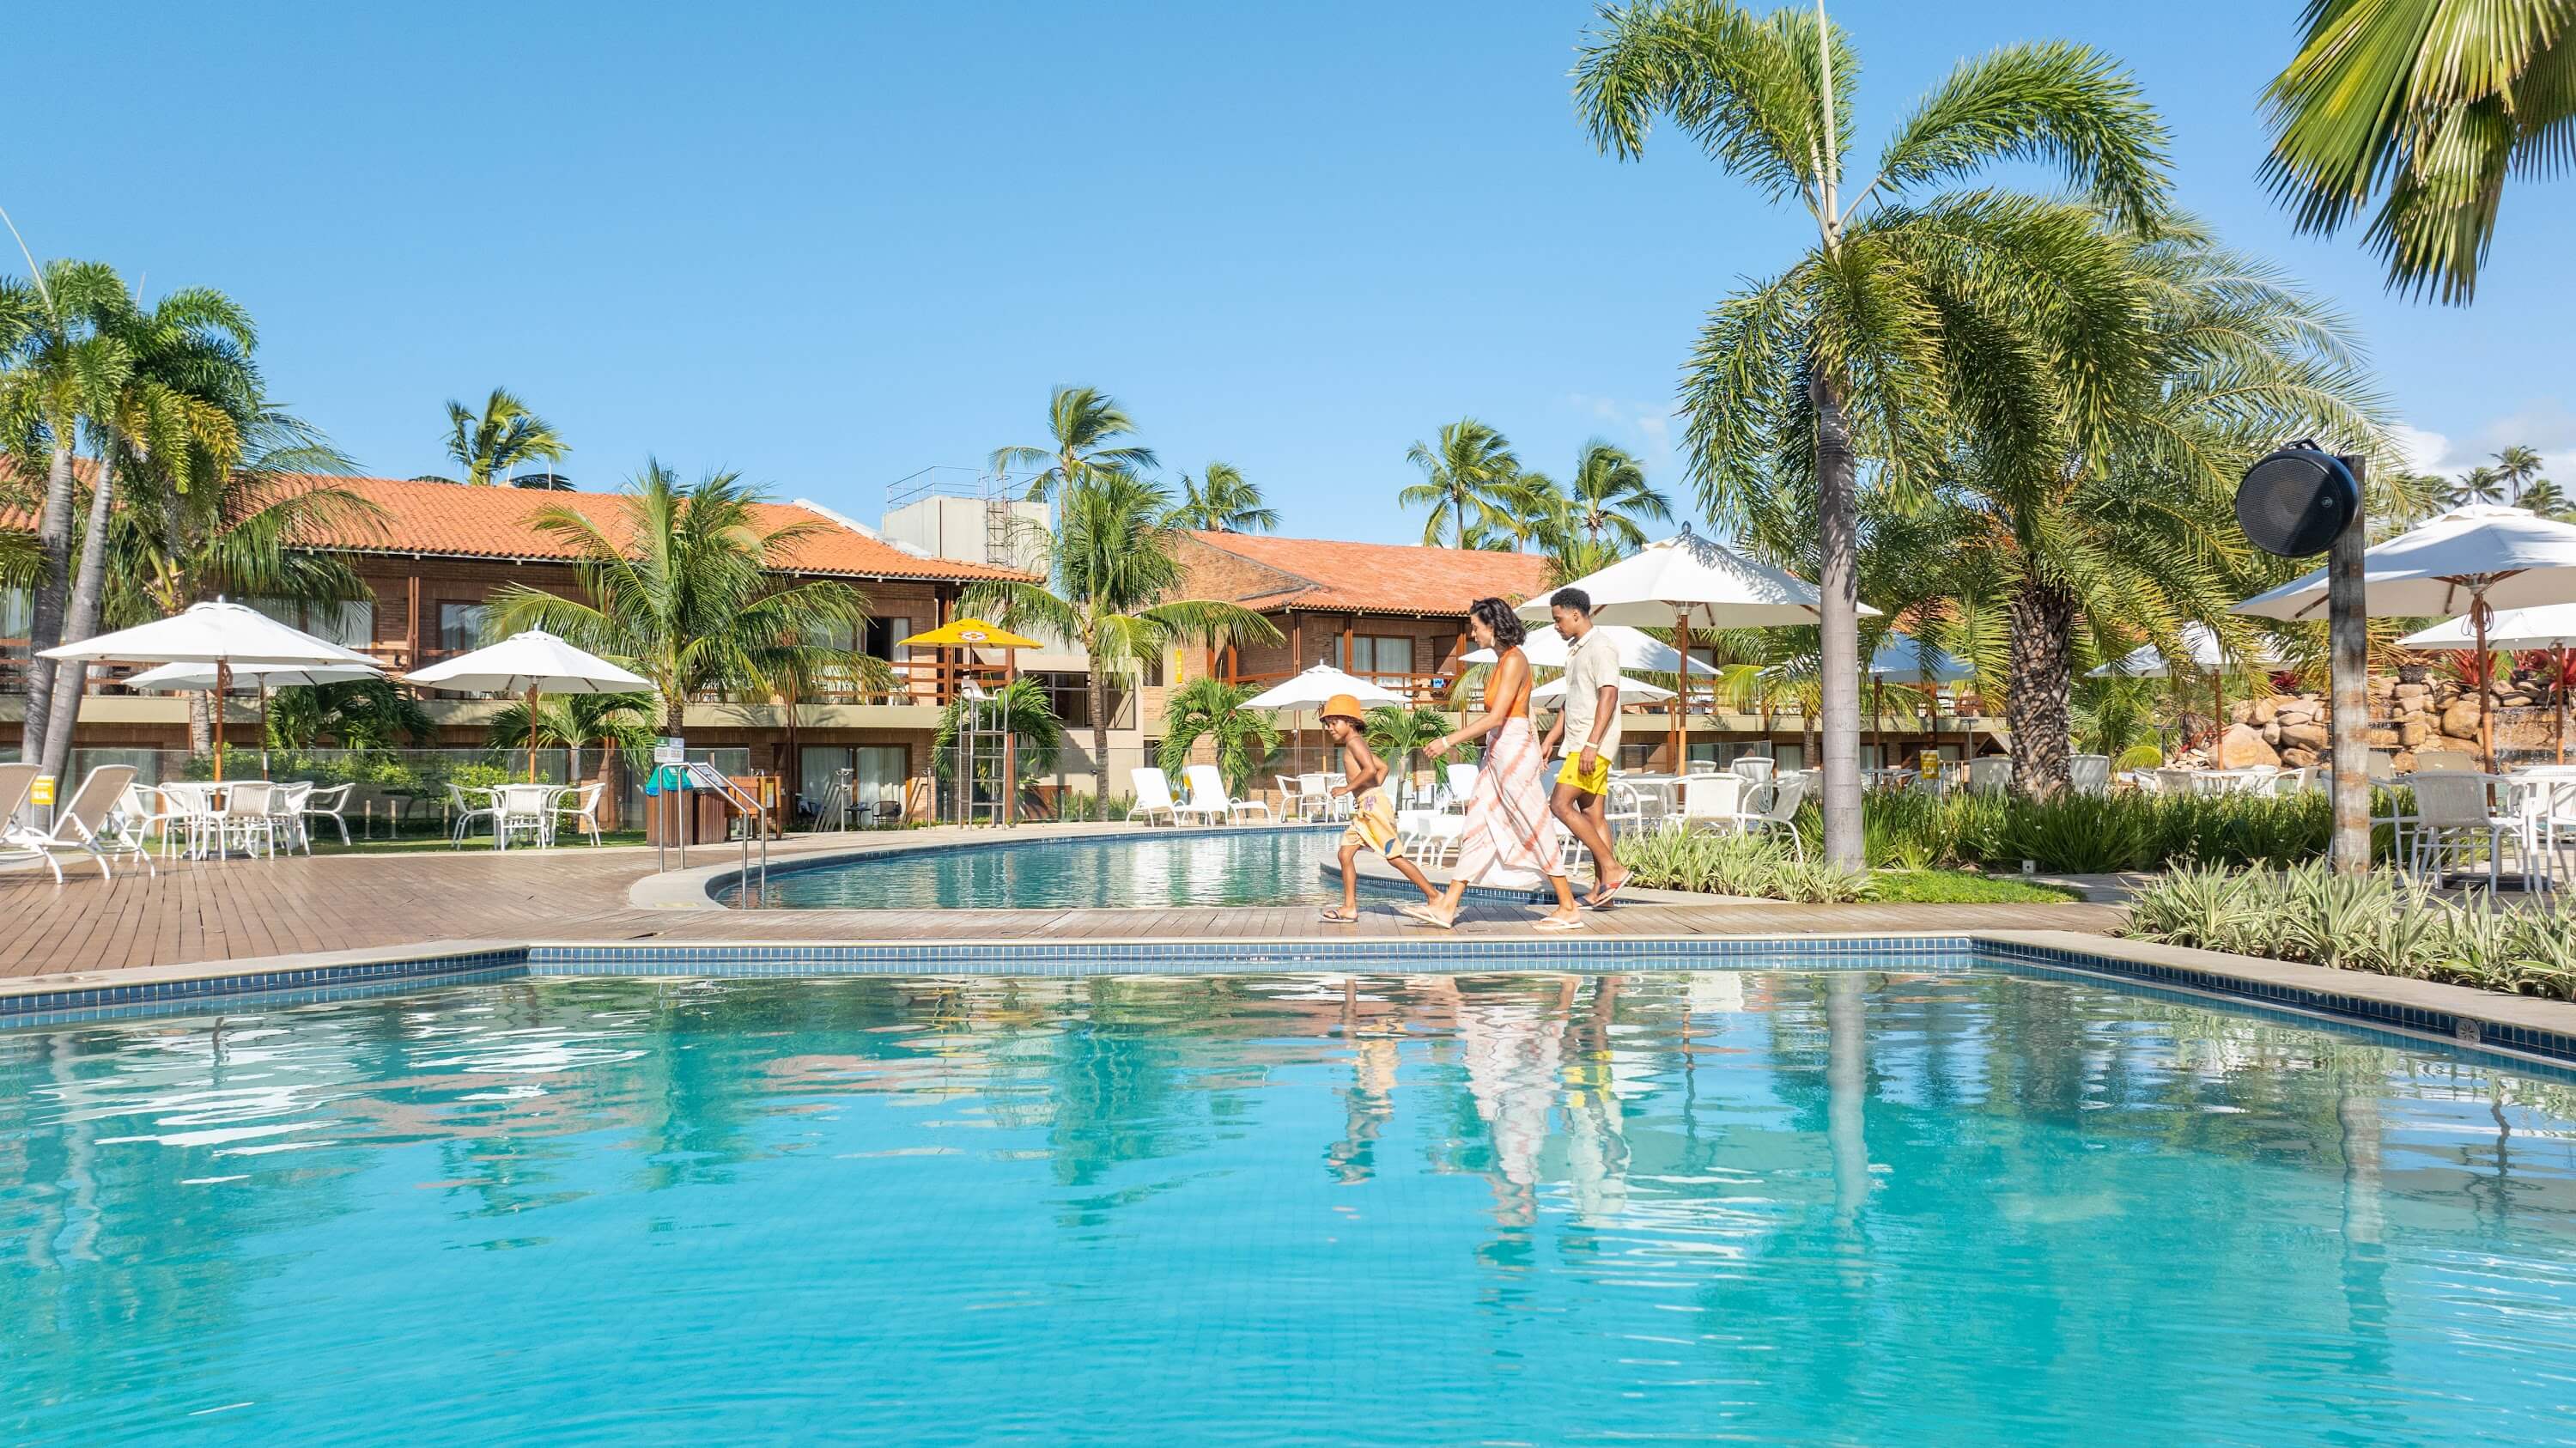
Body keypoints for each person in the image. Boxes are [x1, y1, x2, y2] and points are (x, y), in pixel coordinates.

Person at [1406, 597, 1583, 931]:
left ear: (1493, 626)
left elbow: (1497, 716)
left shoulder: (1515, 660)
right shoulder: (1501, 662)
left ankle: (1568, 905)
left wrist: (1448, 741)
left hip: (1513, 748)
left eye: (1475, 627)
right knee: (1478, 821)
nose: (1473, 634)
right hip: (1497, 749)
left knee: (1532, 820)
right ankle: (1448, 905)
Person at [1539, 587, 1630, 907]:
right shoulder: (1577, 650)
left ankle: (1612, 868)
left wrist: (1592, 744)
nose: (1556, 625)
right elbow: (1572, 700)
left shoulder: (1601, 647)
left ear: (1575, 613)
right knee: (1593, 816)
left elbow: (1609, 695)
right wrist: (1551, 738)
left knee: (1559, 805)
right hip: (1578, 742)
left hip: (1590, 745)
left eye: (1558, 618)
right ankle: (1603, 893)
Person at [1317, 692, 1444, 922]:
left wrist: (1347, 789)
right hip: (1367, 806)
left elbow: (1369, 770)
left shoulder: (1355, 743)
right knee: (1345, 854)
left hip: (1372, 808)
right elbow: (1383, 767)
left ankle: (1435, 897)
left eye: (1334, 723)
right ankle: (1349, 908)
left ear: (1350, 722)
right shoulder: (1353, 744)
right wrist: (1372, 793)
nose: (1330, 728)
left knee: (1394, 857)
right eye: (1327, 724)